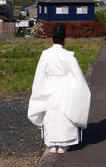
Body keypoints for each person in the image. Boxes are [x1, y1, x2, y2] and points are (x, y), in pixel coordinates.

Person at [28, 23, 91, 154]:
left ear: (52, 37)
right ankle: (64, 144)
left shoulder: (45, 54)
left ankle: (52, 144)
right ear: (64, 38)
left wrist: (39, 90)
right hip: (66, 88)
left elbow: (39, 75)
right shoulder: (69, 55)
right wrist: (81, 90)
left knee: (50, 114)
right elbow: (77, 75)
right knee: (65, 113)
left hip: (49, 87)